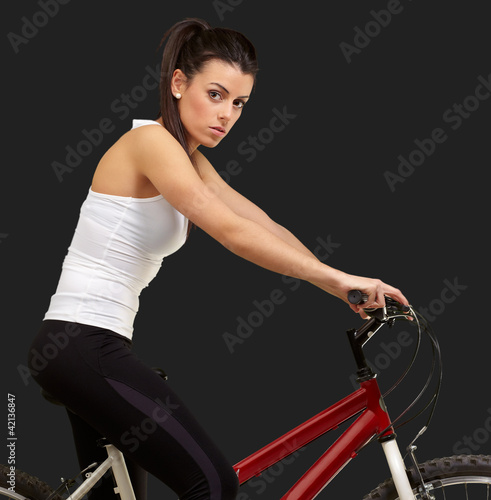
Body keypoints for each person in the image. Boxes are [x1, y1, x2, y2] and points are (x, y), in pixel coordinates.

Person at [28, 17, 408, 500]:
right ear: (179, 83)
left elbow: (261, 224)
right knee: (211, 483)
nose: (226, 113)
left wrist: (339, 281)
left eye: (239, 103)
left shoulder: (188, 158)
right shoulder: (150, 144)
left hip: (91, 346)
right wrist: (336, 281)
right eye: (215, 94)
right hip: (80, 342)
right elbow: (230, 232)